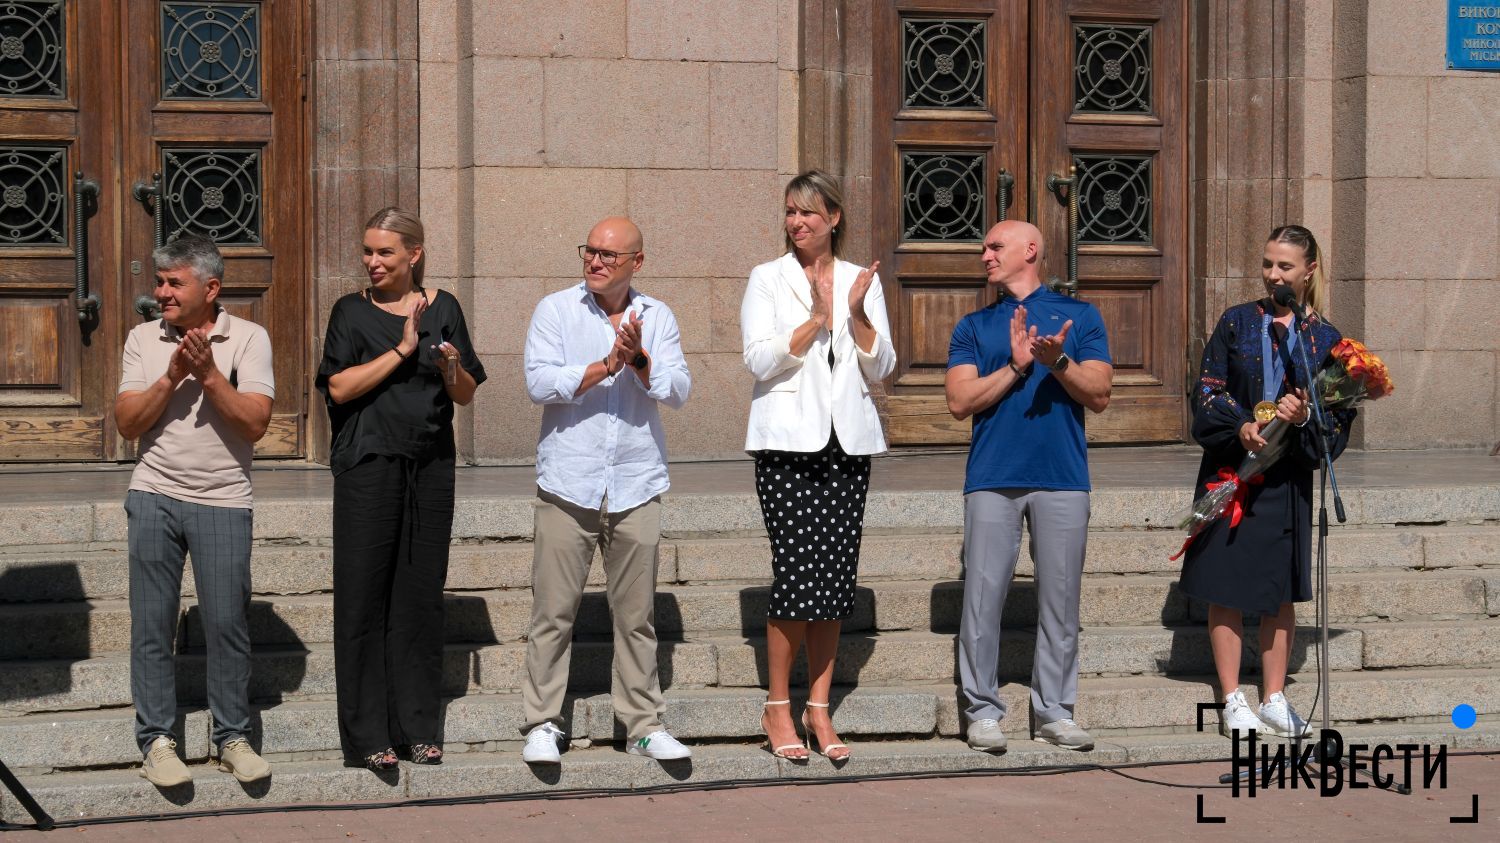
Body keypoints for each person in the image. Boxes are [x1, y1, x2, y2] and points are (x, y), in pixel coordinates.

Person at [317, 207, 486, 770]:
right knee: (363, 598)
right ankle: (368, 735)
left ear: (413, 254)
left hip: (430, 466)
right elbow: (339, 388)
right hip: (369, 464)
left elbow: (464, 394)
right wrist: (401, 351)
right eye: (367, 251)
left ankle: (417, 726)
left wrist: (450, 366)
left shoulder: (445, 307)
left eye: (384, 252)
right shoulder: (350, 312)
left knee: (418, 598)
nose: (372, 262)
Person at [519, 217, 693, 765]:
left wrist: (639, 361)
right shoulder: (556, 309)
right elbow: (538, 382)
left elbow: (680, 390)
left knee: (636, 614)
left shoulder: (656, 316)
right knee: (553, 612)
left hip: (636, 481)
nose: (595, 261)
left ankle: (642, 724)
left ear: (636, 262)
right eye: (589, 251)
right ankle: (544, 722)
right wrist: (605, 364)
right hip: (569, 481)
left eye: (608, 255)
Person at [740, 170, 896, 762]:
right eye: (789, 213)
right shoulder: (767, 278)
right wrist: (815, 318)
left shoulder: (862, 279)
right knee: (796, 575)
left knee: (833, 580)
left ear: (834, 217)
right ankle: (778, 707)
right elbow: (758, 359)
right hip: (786, 444)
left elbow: (882, 366)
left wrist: (854, 314)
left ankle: (820, 708)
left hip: (847, 444)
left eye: (808, 213)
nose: (797, 223)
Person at [945, 220, 1112, 754]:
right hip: (992, 477)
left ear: (1030, 250)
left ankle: (1056, 712)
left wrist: (1056, 361)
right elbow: (959, 402)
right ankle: (982, 712)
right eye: (985, 247)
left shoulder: (1080, 316)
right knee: (982, 599)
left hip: (1062, 477)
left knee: (1061, 601)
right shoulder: (973, 326)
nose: (985, 255)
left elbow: (1101, 393)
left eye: (995, 246)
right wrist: (1017, 369)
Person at [1180, 224, 1353, 738]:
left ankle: (1274, 696)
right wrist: (1241, 424)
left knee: (1278, 593)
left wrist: (1303, 419)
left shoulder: (1326, 338)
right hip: (1234, 470)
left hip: (1287, 479)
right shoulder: (1237, 322)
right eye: (1267, 264)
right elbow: (1207, 390)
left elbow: (1337, 422)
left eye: (1284, 266)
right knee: (1226, 586)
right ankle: (1233, 697)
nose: (1273, 274)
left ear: (1309, 271)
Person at [116, 234, 275, 786]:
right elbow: (128, 422)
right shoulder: (142, 338)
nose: (162, 292)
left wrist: (208, 374)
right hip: (154, 493)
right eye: (159, 281)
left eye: (173, 283)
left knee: (227, 622)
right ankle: (157, 741)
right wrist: (172, 375)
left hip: (223, 499)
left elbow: (255, 422)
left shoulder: (250, 338)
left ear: (211, 288)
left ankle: (232, 737)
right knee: (152, 624)